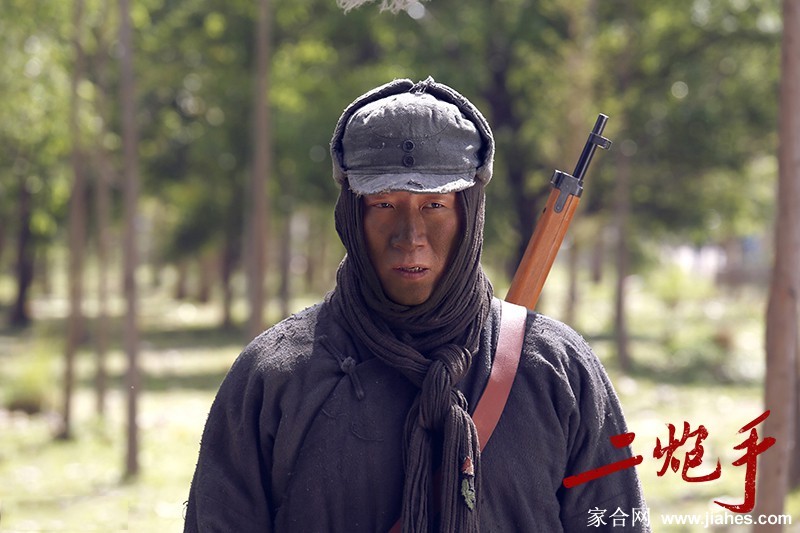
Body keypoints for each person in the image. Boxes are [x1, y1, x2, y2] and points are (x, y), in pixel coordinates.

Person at [184, 77, 649, 532]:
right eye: (384, 205)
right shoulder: (274, 377)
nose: (410, 238)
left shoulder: (556, 370)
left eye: (435, 205)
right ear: (350, 214)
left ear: (470, 212)